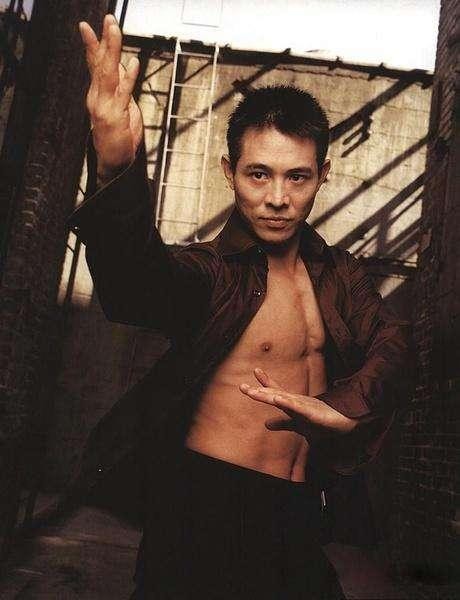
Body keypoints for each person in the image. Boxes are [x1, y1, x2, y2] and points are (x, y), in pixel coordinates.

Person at [68, 13, 412, 599]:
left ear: (323, 175)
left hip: (297, 512)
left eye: (297, 177)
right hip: (203, 506)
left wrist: (345, 407)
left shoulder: (339, 274)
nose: (277, 198)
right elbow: (136, 285)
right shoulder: (212, 271)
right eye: (259, 174)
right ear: (230, 172)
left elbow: (394, 339)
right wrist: (117, 168)